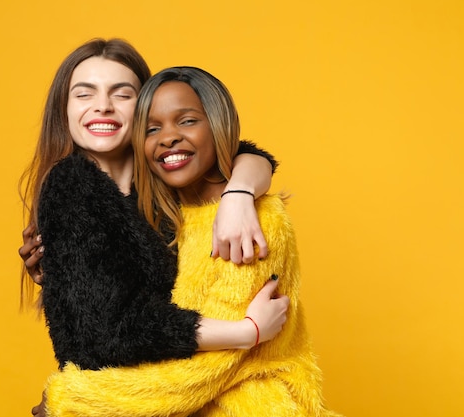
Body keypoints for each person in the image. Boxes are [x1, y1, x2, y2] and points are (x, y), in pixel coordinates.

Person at [37, 66, 340, 417]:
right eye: (153, 128)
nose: (168, 138)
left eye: (187, 121)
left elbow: (214, 367)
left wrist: (73, 399)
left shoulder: (250, 224)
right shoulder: (166, 212)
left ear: (218, 125)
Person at [18, 37, 289, 399]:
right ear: (63, 110)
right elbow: (109, 331)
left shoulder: (165, 173)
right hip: (121, 398)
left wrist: (238, 194)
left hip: (187, 392)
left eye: (122, 94)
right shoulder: (71, 186)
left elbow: (241, 153)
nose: (103, 107)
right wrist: (246, 333)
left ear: (145, 106)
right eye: (84, 94)